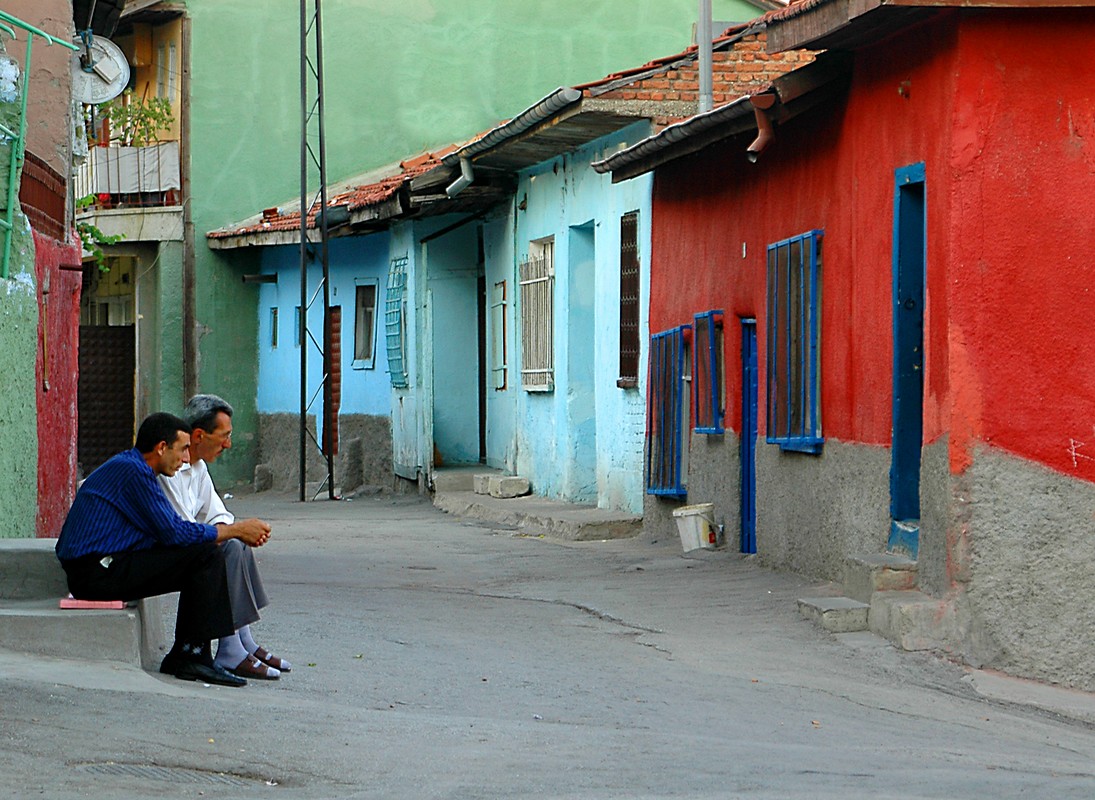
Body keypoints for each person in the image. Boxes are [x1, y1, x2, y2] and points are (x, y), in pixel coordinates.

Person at [56, 413, 271, 687]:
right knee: (205, 555)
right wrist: (235, 530)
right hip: (95, 573)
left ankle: (194, 652)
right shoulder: (133, 472)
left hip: (107, 565)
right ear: (161, 448)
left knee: (203, 552)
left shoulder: (138, 469)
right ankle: (192, 655)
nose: (184, 459)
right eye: (181, 449)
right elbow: (175, 532)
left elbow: (169, 532)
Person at [159, 394, 290, 681]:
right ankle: (231, 647)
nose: (228, 445)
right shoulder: (170, 470)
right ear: (198, 435)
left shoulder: (198, 467)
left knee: (235, 544)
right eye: (224, 436)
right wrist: (231, 532)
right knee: (228, 546)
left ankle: (244, 641)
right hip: (165, 553)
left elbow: (218, 514)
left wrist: (233, 531)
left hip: (188, 546)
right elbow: (184, 530)